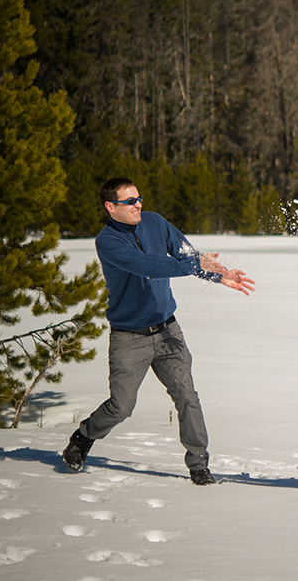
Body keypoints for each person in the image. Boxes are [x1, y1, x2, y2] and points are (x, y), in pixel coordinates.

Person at [60, 178, 255, 485]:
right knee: (121, 407)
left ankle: (198, 465)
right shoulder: (108, 242)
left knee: (187, 396)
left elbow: (186, 254)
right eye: (129, 201)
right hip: (129, 337)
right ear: (110, 207)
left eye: (139, 198)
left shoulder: (154, 222)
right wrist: (192, 267)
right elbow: (149, 265)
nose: (139, 205)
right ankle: (84, 435)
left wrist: (218, 276)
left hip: (168, 330)